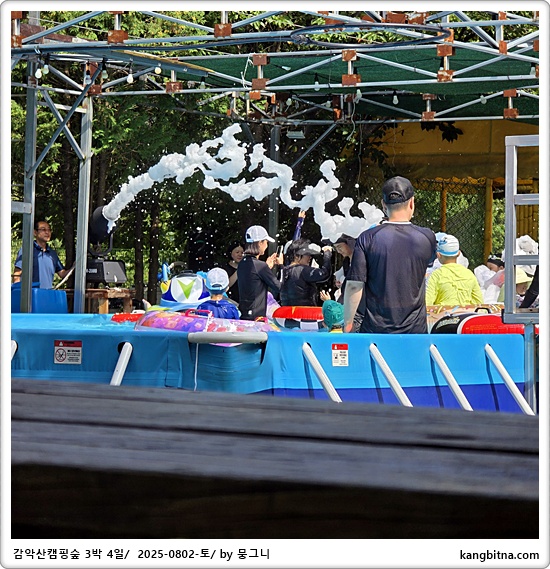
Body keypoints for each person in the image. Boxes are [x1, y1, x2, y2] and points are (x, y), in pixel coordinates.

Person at [344, 176, 436, 333]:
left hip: (376, 330)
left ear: (383, 205)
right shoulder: (427, 237)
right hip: (415, 331)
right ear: (412, 202)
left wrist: (348, 324)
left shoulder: (367, 238)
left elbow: (354, 285)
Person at [237, 225, 283, 320]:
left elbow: (254, 280)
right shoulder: (260, 266)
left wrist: (266, 268)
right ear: (260, 243)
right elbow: (280, 287)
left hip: (244, 315)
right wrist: (281, 266)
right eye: (266, 242)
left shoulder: (242, 263)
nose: (267, 245)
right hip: (257, 319)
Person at [426, 234, 483, 306]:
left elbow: (427, 303)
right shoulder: (469, 274)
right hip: (465, 312)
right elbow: (479, 302)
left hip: (443, 313)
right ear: (459, 254)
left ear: (438, 255)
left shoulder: (436, 275)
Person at [13, 220, 71, 289]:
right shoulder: (27, 250)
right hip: (31, 294)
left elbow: (62, 274)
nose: (47, 232)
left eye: (49, 230)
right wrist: (17, 291)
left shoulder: (52, 254)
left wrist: (76, 266)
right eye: (43, 229)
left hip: (47, 293)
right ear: (35, 232)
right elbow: (17, 274)